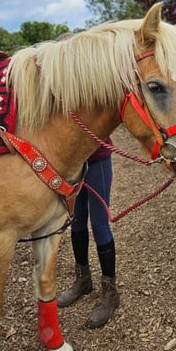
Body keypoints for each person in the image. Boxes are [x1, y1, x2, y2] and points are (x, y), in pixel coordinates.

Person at [57, 140, 119, 328]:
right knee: (76, 221)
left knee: (99, 224)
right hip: (73, 162)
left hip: (97, 159)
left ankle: (110, 293)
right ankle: (83, 279)